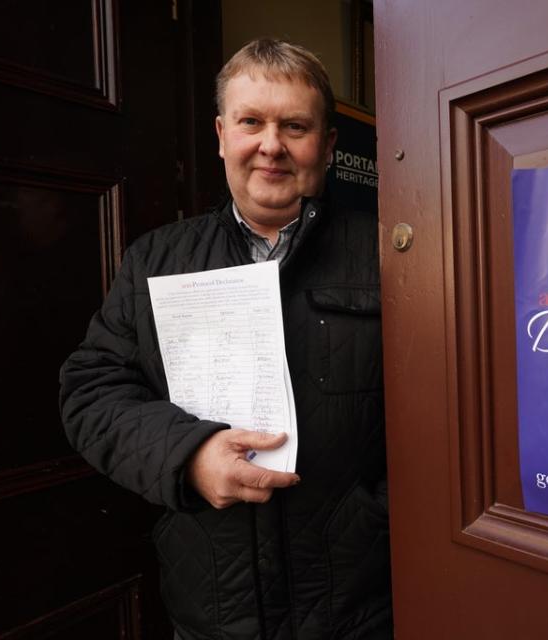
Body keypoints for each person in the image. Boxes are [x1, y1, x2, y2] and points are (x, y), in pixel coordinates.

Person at [59, 39, 391, 639]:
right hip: (213, 608)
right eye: (251, 122)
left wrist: (375, 515)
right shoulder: (156, 261)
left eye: (295, 125)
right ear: (220, 135)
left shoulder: (389, 257)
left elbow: (443, 411)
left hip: (361, 608)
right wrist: (186, 456)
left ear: (329, 145)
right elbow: (91, 392)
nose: (271, 145)